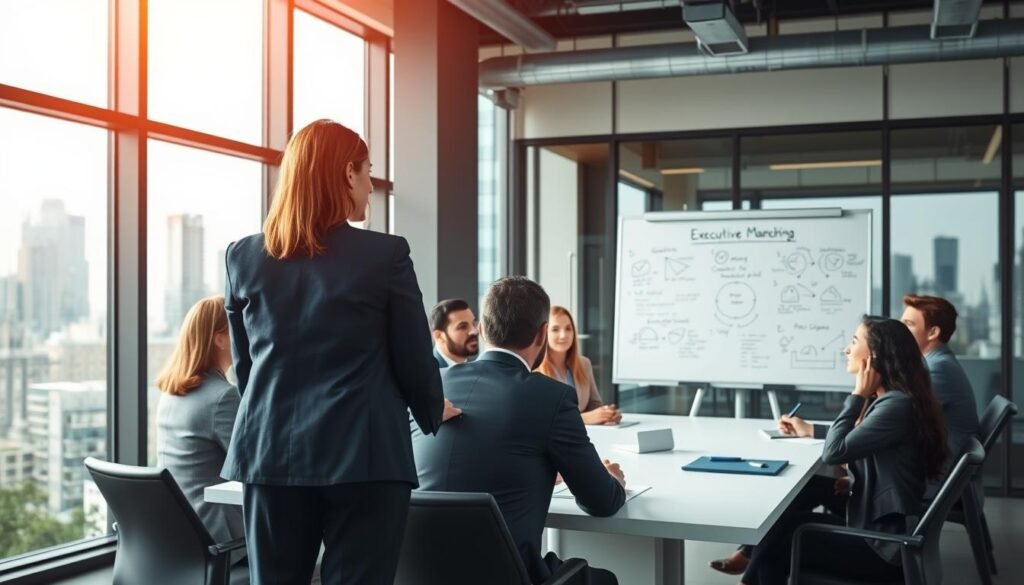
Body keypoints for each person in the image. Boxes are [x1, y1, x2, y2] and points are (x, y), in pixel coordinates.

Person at [220, 119, 446, 585]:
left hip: (271, 451)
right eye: (367, 174)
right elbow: (413, 355)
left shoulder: (243, 256)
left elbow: (245, 366)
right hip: (365, 456)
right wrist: (432, 413)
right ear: (347, 173)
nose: (369, 188)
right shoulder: (385, 255)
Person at [412, 277, 626, 585]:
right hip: (507, 575)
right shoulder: (550, 397)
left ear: (483, 330)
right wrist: (614, 481)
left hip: (416, 572)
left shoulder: (431, 388)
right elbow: (601, 502)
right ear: (542, 335)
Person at [739, 317, 948, 585]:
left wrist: (859, 394)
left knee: (784, 538)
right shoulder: (894, 399)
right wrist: (852, 480)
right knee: (787, 523)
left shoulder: (895, 405)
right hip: (880, 535)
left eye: (853, 342)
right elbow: (856, 439)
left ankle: (748, 576)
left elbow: (834, 452)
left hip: (883, 550)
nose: (846, 350)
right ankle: (747, 577)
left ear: (874, 356)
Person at [156, 295, 244, 563]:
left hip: (181, 538)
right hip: (222, 542)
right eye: (238, 329)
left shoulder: (171, 395)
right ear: (219, 339)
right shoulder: (222, 397)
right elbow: (252, 466)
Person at [900, 294, 980, 458]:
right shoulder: (938, 362)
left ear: (933, 333)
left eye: (908, 324)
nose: (900, 330)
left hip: (935, 469)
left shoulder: (938, 368)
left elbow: (899, 415)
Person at [536, 306, 622, 425]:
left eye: (568, 328)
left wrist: (607, 414)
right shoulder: (535, 370)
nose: (563, 335)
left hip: (587, 435)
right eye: (555, 329)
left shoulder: (584, 364)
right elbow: (540, 419)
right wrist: (584, 418)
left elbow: (594, 405)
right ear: (544, 333)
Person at [429, 298, 479, 367]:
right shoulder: (425, 372)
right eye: (462, 327)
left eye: (474, 323)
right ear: (439, 336)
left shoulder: (478, 369)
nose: (474, 331)